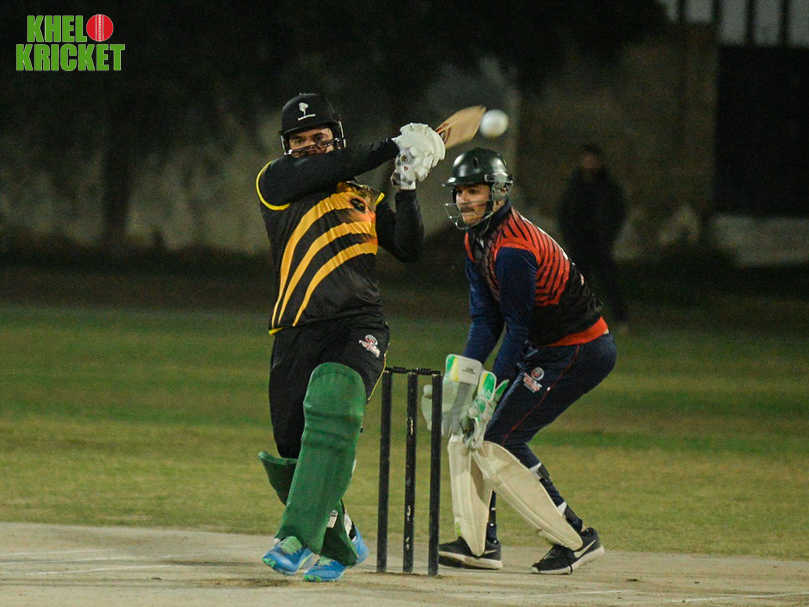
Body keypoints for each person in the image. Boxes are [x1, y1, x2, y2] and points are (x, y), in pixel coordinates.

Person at [255, 93, 444, 582]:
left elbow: (409, 249)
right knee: (294, 452)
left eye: (319, 137)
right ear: (288, 147)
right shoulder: (276, 182)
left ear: (335, 136)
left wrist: (405, 189)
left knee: (334, 405)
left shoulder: (365, 197)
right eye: (300, 140)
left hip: (359, 324)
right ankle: (343, 542)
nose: (311, 146)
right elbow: (333, 165)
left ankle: (296, 538)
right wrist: (393, 144)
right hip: (296, 328)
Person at [435, 148, 616, 575]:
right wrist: (465, 379)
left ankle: (576, 539)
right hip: (546, 345)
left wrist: (491, 388)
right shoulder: (475, 239)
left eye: (473, 191)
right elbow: (486, 319)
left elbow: (516, 327)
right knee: (469, 433)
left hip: (580, 348)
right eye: (460, 191)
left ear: (498, 193)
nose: (463, 200)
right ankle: (478, 545)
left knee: (500, 438)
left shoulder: (514, 249)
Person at [557, 143, 629, 328]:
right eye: (587, 159)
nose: (589, 163)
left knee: (609, 280)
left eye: (593, 160)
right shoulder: (575, 186)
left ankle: (621, 319)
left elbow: (618, 211)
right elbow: (564, 212)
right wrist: (569, 234)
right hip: (578, 240)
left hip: (599, 241)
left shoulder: (608, 187)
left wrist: (608, 234)